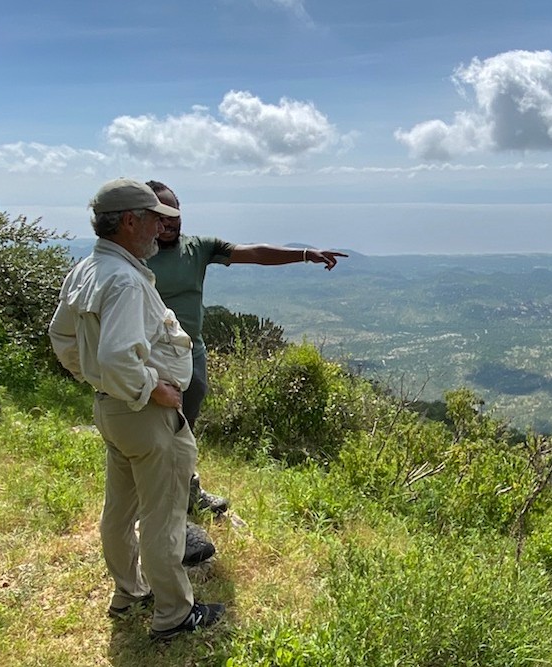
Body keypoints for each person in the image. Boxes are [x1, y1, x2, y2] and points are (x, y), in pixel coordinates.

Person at [49, 178, 224, 640]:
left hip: (112, 411)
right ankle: (173, 615)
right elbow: (116, 357)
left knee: (119, 511)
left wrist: (99, 380)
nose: (160, 230)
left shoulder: (87, 269)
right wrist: (154, 390)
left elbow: (62, 337)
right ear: (130, 221)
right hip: (146, 417)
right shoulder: (126, 279)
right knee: (163, 517)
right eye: (153, 220)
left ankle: (128, 591)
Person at [144, 179, 346, 525]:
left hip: (192, 353)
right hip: (152, 358)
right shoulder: (135, 257)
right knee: (156, 432)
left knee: (185, 429)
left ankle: (187, 493)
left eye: (173, 213)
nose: (169, 222)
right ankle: (159, 506)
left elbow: (253, 252)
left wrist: (304, 255)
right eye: (160, 216)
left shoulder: (199, 247)